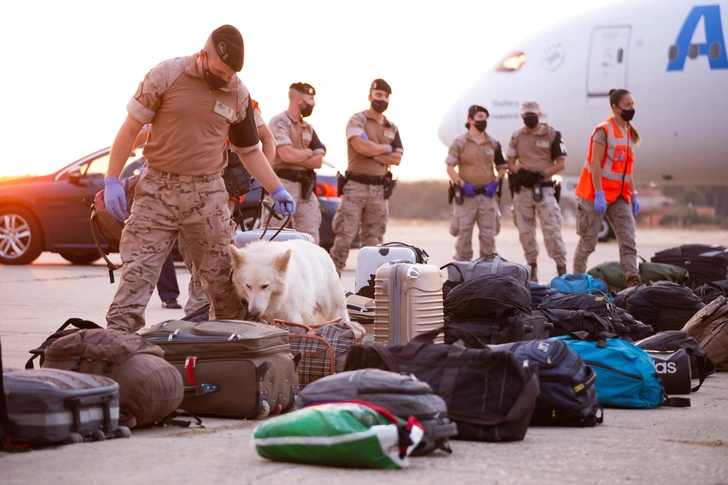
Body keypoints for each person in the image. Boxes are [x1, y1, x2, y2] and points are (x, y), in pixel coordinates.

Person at [103, 25, 295, 333]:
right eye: (219, 71)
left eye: (229, 74)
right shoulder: (166, 75)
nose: (224, 78)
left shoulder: (238, 92)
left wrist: (277, 188)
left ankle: (230, 356)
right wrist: (111, 180)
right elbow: (129, 130)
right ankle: (118, 349)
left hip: (207, 194)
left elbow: (250, 151)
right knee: (136, 277)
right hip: (157, 190)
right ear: (203, 55)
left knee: (223, 282)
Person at [182, 100, 275, 315]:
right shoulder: (182, 95)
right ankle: (201, 316)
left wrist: (262, 177)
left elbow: (267, 138)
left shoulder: (241, 102)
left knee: (208, 264)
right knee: (192, 258)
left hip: (222, 194)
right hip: (183, 193)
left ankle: (198, 318)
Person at [329, 79, 403, 274]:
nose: (382, 99)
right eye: (378, 95)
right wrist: (385, 149)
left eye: (386, 96)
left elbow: (397, 157)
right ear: (370, 96)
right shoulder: (358, 120)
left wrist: (372, 152)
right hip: (355, 187)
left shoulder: (391, 127)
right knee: (344, 237)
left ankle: (368, 285)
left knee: (374, 242)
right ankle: (331, 283)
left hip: (379, 191)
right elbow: (359, 146)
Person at [573, 88, 642, 288]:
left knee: (628, 239)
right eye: (627, 105)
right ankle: (576, 282)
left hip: (619, 195)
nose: (632, 108)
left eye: (632, 104)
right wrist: (599, 194)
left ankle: (633, 282)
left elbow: (627, 168)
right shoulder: (603, 131)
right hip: (594, 194)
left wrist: (634, 193)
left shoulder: (629, 131)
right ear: (615, 108)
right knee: (588, 243)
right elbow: (595, 164)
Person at [507, 100, 568, 282]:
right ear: (522, 116)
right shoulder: (517, 135)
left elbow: (561, 164)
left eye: (533, 115)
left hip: (544, 190)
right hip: (523, 190)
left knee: (552, 231)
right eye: (526, 116)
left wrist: (541, 173)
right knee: (525, 232)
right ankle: (532, 272)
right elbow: (510, 162)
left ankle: (561, 270)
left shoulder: (552, 133)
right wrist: (521, 171)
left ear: (539, 115)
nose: (529, 118)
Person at [266, 83, 326, 243]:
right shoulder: (279, 122)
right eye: (311, 99)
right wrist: (308, 152)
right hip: (283, 184)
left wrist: (300, 157)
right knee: (274, 235)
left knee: (310, 237)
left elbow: (319, 160)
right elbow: (287, 155)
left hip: (306, 188)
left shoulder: (308, 127)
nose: (313, 103)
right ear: (299, 100)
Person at [445, 105, 507, 261]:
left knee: (488, 240)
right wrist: (462, 184)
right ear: (470, 119)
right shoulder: (459, 142)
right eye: (480, 117)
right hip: (466, 197)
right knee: (463, 239)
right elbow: (449, 168)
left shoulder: (493, 143)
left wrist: (495, 182)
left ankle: (486, 277)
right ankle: (461, 279)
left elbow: (502, 168)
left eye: (485, 117)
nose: (483, 120)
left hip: (487, 197)